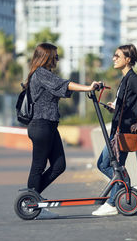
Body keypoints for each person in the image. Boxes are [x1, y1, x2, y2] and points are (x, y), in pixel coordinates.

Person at [25, 43, 100, 218]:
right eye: (55, 56)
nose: (57, 60)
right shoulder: (41, 73)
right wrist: (88, 87)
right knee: (38, 166)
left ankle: (32, 198)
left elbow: (61, 90)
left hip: (49, 125)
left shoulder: (44, 74)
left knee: (59, 165)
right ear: (47, 57)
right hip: (41, 125)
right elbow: (64, 85)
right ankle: (33, 204)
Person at [92, 44, 137, 216]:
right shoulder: (125, 79)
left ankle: (115, 200)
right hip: (117, 131)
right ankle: (122, 189)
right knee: (107, 165)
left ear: (127, 60)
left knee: (109, 165)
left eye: (117, 56)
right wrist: (115, 107)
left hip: (124, 132)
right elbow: (128, 104)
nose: (113, 58)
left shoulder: (133, 79)